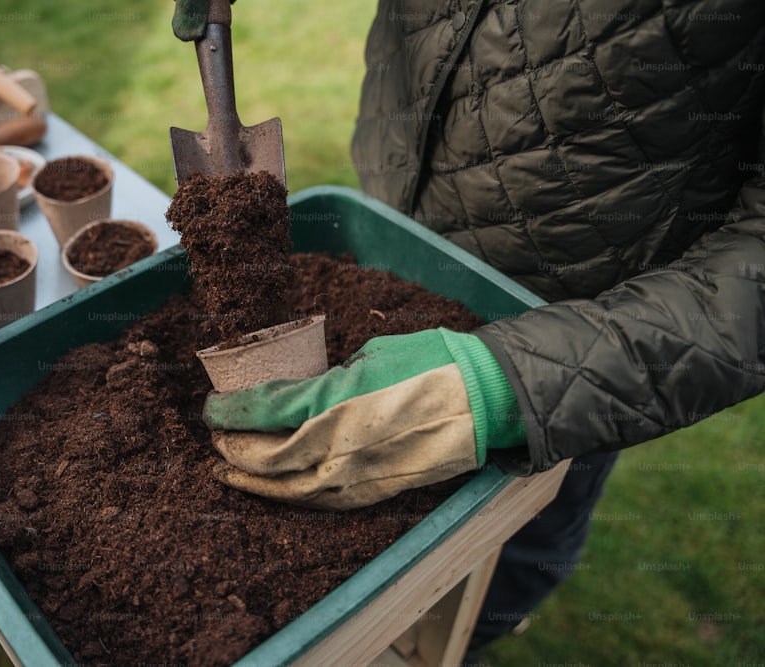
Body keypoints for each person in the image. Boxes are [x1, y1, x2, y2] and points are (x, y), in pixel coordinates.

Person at [175, 0, 765, 661]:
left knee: (501, 567)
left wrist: (508, 384)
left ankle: (484, 624)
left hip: (573, 333)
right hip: (395, 235)